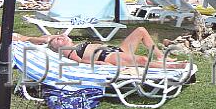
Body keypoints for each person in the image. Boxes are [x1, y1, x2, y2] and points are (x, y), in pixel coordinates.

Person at [47, 27, 187, 69]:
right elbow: (80, 62)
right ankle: (173, 67)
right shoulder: (69, 52)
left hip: (116, 50)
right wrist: (99, 63)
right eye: (57, 40)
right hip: (109, 57)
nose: (61, 37)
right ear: (58, 49)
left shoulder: (74, 46)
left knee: (141, 30)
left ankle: (161, 56)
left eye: (59, 36)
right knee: (142, 60)